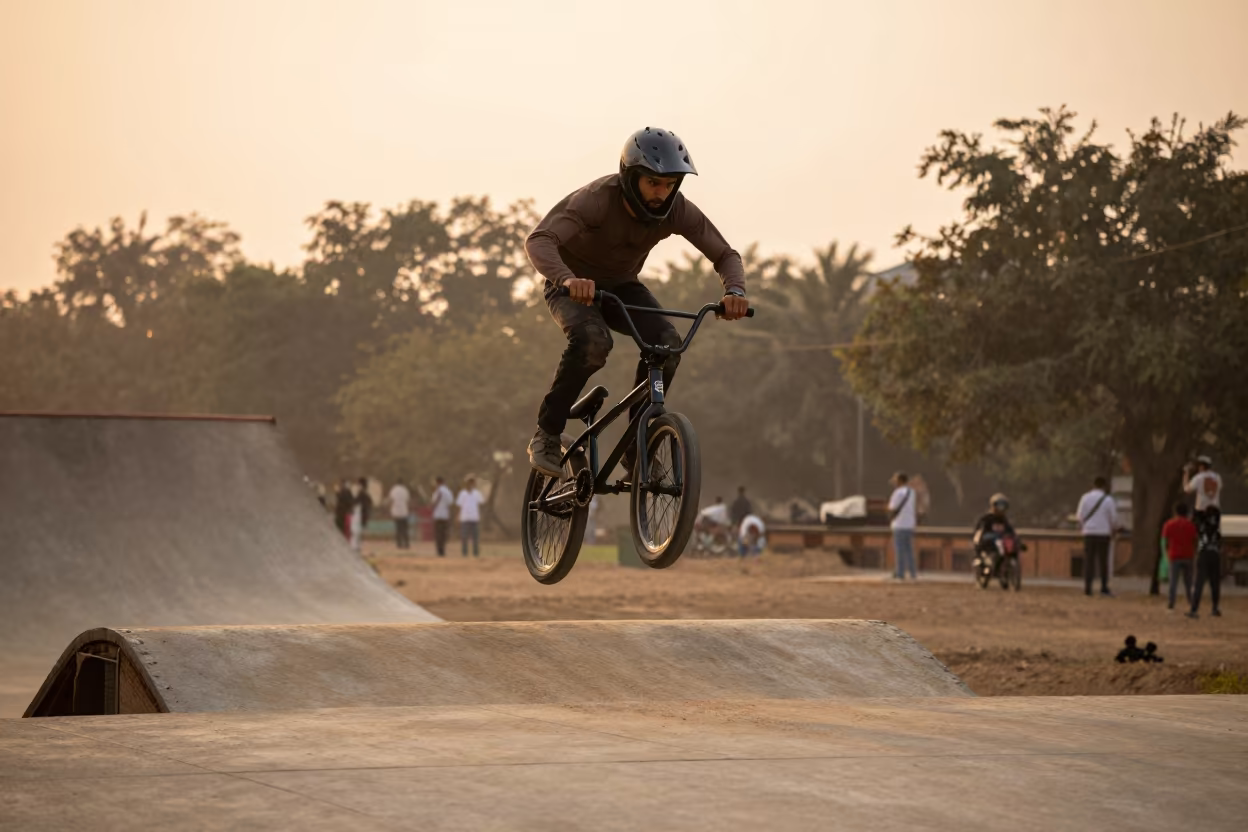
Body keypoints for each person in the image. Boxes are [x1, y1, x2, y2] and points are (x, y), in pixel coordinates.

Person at [525, 127, 750, 477]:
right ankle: (547, 433)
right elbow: (540, 240)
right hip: (569, 287)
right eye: (653, 183)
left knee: (668, 344)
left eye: (670, 183)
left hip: (621, 288)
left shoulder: (677, 210)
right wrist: (567, 279)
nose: (662, 193)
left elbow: (725, 254)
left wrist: (734, 291)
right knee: (593, 342)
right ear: (630, 177)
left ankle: (636, 446)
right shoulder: (597, 200)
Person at [1076, 476, 1119, 597]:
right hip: (1103, 533)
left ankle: (1087, 588)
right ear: (1104, 486)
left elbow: (1080, 516)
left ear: (1093, 485)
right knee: (1103, 561)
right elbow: (1114, 518)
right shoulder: (1108, 500)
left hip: (1089, 532)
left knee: (1089, 561)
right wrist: (1113, 529)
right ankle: (1104, 587)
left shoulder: (1085, 498)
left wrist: (1083, 527)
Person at [1189, 504, 1224, 619]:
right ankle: (1214, 608)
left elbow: (1194, 518)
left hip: (1203, 554)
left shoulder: (1202, 526)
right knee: (1215, 583)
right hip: (1214, 554)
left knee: (1199, 582)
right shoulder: (1216, 526)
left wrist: (1199, 507)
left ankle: (1194, 609)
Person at [1161, 502, 1197, 611]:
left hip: (1174, 555)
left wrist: (1167, 552)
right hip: (1188, 555)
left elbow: (1165, 540)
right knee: (1189, 582)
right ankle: (1191, 601)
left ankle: (1171, 602)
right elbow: (1194, 540)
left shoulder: (1169, 524)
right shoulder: (1191, 525)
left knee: (1173, 581)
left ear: (1175, 512)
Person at [972, 494, 1016, 576]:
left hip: (1002, 542)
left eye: (1003, 506)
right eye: (999, 505)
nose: (1001, 508)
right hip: (988, 542)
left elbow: (1010, 531)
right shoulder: (987, 518)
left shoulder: (1004, 520)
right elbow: (979, 529)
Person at [888, 472, 917, 579]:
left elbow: (892, 508)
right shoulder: (912, 492)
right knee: (909, 550)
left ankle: (900, 573)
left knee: (899, 550)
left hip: (899, 524)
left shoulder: (897, 493)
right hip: (910, 524)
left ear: (900, 481)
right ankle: (913, 573)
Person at [1183, 455, 1222, 521]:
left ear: (1202, 466)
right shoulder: (1217, 477)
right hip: (1215, 509)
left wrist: (1186, 474)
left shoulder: (1199, 477)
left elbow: (1187, 489)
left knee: (1198, 528)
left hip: (1202, 509)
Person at [456, 477, 485, 557]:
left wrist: (481, 515)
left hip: (474, 518)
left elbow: (481, 504)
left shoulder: (477, 493)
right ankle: (464, 553)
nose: (470, 484)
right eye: (469, 482)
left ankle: (476, 554)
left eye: (472, 482)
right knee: (464, 537)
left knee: (475, 537)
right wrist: (458, 517)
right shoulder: (462, 494)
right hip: (465, 518)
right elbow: (459, 506)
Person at [430, 476, 454, 557]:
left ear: (437, 482)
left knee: (438, 533)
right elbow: (450, 502)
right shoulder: (448, 491)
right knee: (443, 534)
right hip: (445, 515)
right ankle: (443, 549)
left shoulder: (437, 491)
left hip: (437, 515)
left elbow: (433, 502)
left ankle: (439, 550)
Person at [388, 478, 412, 550]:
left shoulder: (393, 490)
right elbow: (408, 500)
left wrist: (390, 509)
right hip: (404, 511)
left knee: (398, 529)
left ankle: (399, 544)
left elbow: (391, 500)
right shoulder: (405, 490)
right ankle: (406, 543)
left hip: (396, 512)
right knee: (405, 529)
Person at [350, 477, 373, 554]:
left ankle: (355, 547)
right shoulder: (365, 494)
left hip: (360, 514)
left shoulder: (362, 493)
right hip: (363, 514)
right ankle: (357, 547)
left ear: (361, 485)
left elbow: (355, 502)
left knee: (356, 531)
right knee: (358, 532)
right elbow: (370, 503)